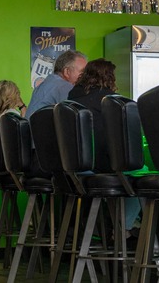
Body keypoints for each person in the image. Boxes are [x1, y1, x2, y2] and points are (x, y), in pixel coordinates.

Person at [67, 58, 142, 238]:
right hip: (103, 167)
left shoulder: (70, 100)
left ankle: (116, 224)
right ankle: (124, 227)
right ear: (110, 78)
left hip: (75, 170)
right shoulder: (114, 103)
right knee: (141, 177)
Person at [25, 49, 87, 118]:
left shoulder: (48, 82)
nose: (86, 76)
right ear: (67, 72)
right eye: (82, 72)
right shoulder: (64, 86)